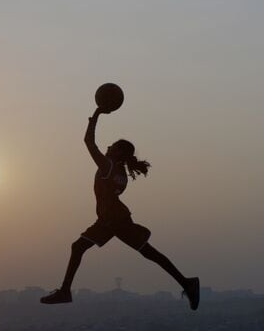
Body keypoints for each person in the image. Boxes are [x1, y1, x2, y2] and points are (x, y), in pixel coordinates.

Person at [40, 106, 200, 310]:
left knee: (83, 247)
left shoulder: (108, 166)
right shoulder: (121, 173)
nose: (108, 147)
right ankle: (187, 283)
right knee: (146, 253)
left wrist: (96, 115)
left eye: (112, 145)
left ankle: (64, 291)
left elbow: (88, 142)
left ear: (117, 152)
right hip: (113, 219)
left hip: (113, 220)